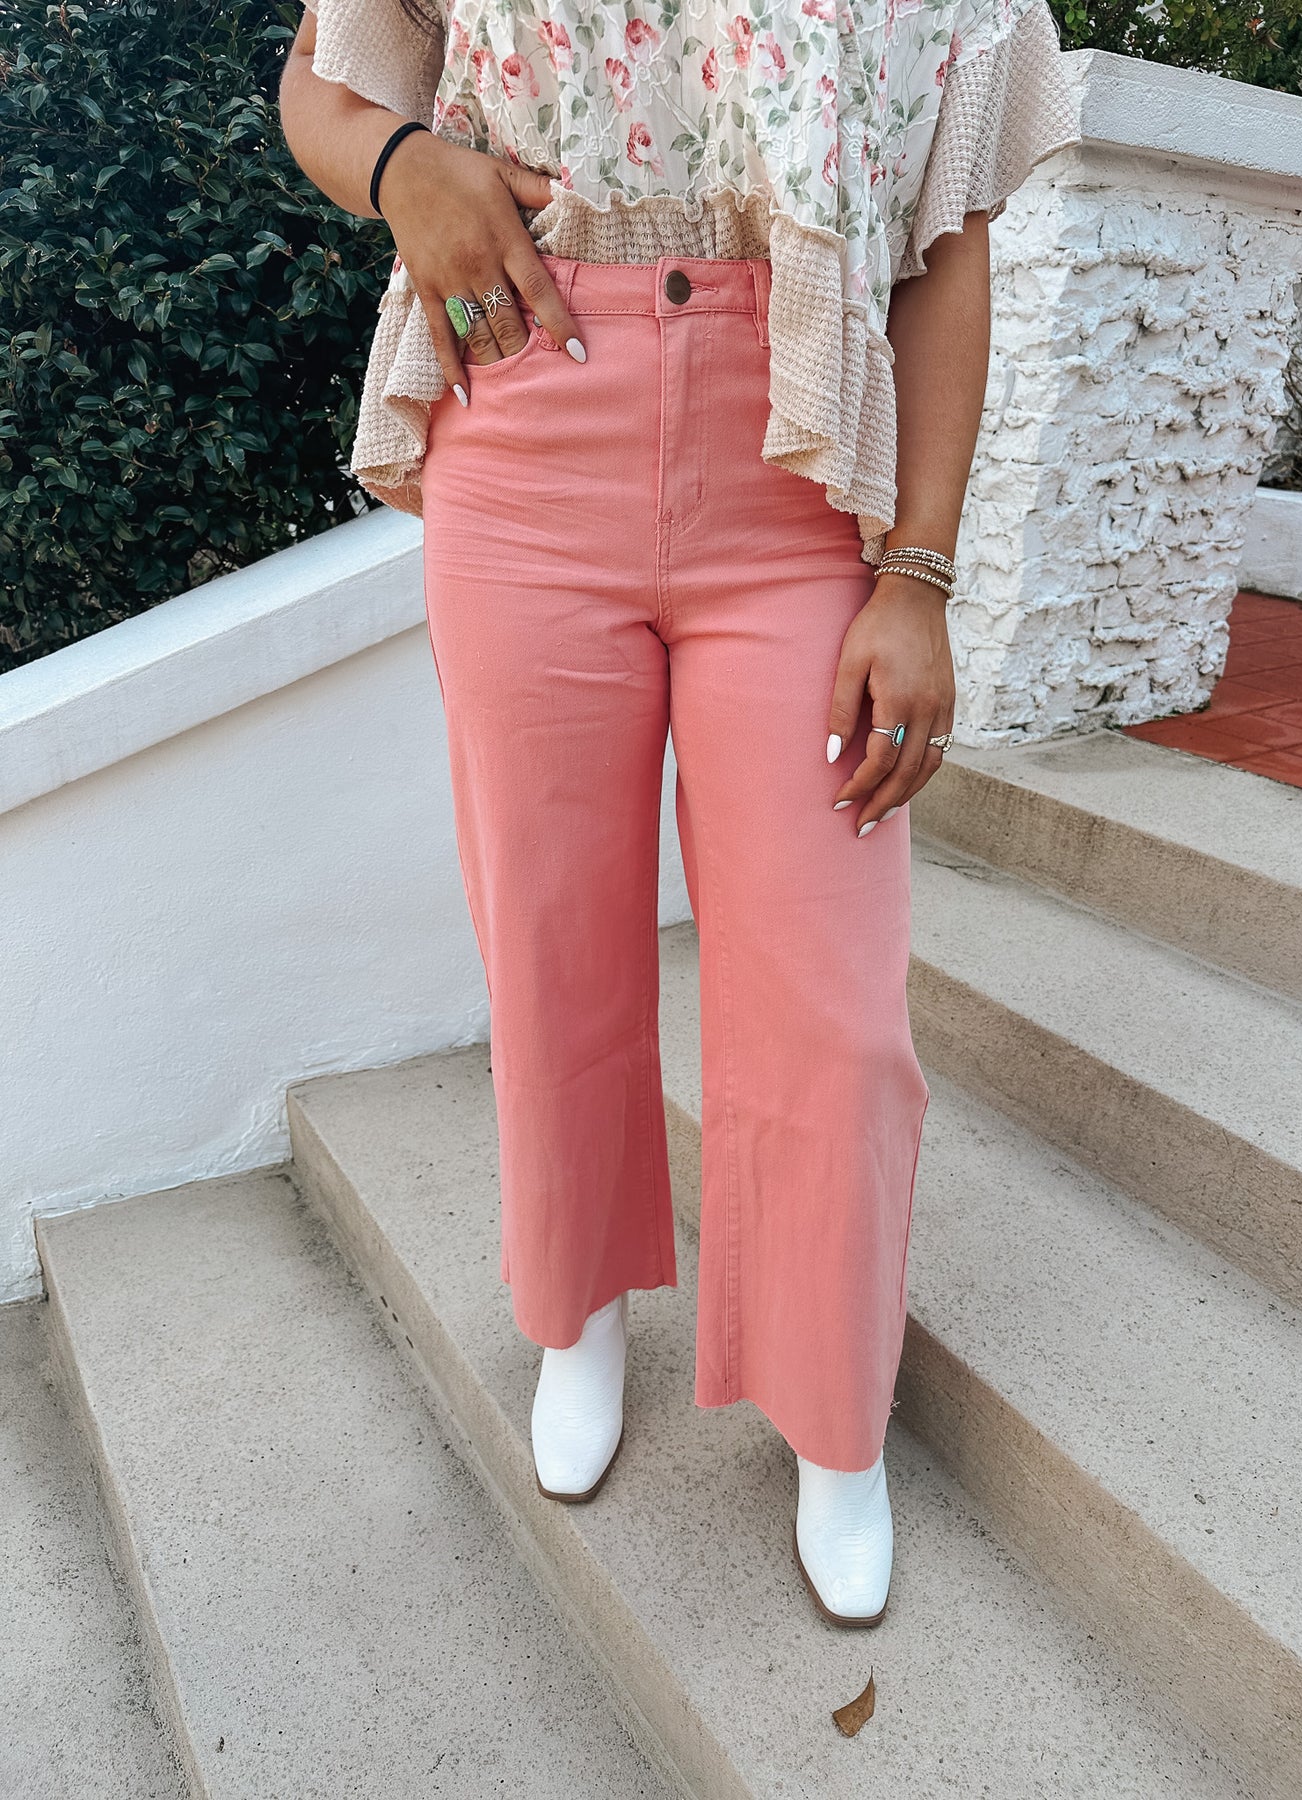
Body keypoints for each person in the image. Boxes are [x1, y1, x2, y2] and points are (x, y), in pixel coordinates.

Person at [279, 0, 1075, 1628]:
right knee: (549, 939)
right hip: (528, 421)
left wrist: (918, 573)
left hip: (795, 471)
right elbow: (323, 78)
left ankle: (831, 1410)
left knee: (828, 997)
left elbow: (946, 242)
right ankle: (575, 1313)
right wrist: (402, 166)